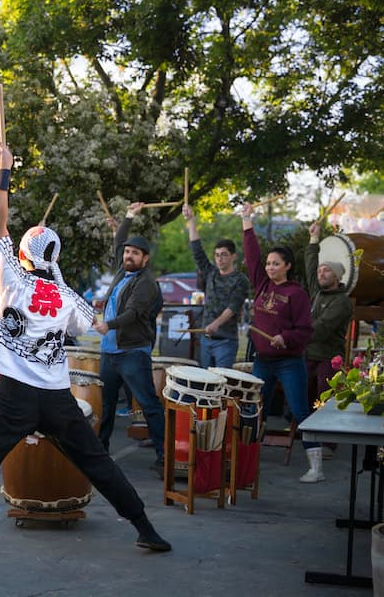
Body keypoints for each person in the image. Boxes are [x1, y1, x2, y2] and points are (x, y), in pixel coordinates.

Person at [0, 142, 171, 573]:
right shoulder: (66, 298)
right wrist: (62, 283)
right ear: (55, 258)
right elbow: (91, 324)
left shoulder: (12, 279)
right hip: (56, 396)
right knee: (97, 462)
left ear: (22, 253)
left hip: (14, 397)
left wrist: (4, 171)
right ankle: (146, 528)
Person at [241, 203, 319, 482]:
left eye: (276, 263)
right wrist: (247, 221)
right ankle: (243, 459)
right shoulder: (262, 284)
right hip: (263, 361)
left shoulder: (297, 294)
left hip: (289, 361)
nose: (269, 267)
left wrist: (284, 337)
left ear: (288, 266)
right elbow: (252, 257)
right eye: (269, 263)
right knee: (252, 408)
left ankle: (315, 466)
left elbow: (305, 330)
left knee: (300, 410)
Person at [94, 202, 165, 474]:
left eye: (135, 253)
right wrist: (129, 216)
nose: (128, 255)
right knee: (107, 405)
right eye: (127, 252)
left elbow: (134, 313)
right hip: (111, 352)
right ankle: (100, 451)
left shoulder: (147, 283)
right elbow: (118, 242)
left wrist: (108, 324)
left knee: (148, 404)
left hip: (133, 352)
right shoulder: (123, 272)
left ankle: (164, 455)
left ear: (145, 258)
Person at [182, 205, 251, 368]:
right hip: (206, 340)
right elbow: (197, 250)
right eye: (217, 255)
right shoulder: (211, 273)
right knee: (205, 384)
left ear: (234, 256)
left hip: (226, 342)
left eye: (224, 255)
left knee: (222, 384)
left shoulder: (240, 280)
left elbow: (232, 307)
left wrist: (216, 324)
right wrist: (191, 220)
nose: (219, 259)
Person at [305, 222, 353, 416]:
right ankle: (307, 438)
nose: (321, 273)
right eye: (320, 271)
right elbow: (310, 267)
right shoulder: (317, 293)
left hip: (328, 359)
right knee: (305, 402)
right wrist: (314, 239)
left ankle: (327, 444)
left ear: (337, 276)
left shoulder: (342, 302)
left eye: (326, 270)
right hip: (308, 356)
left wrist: (294, 337)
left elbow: (321, 328)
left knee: (325, 406)